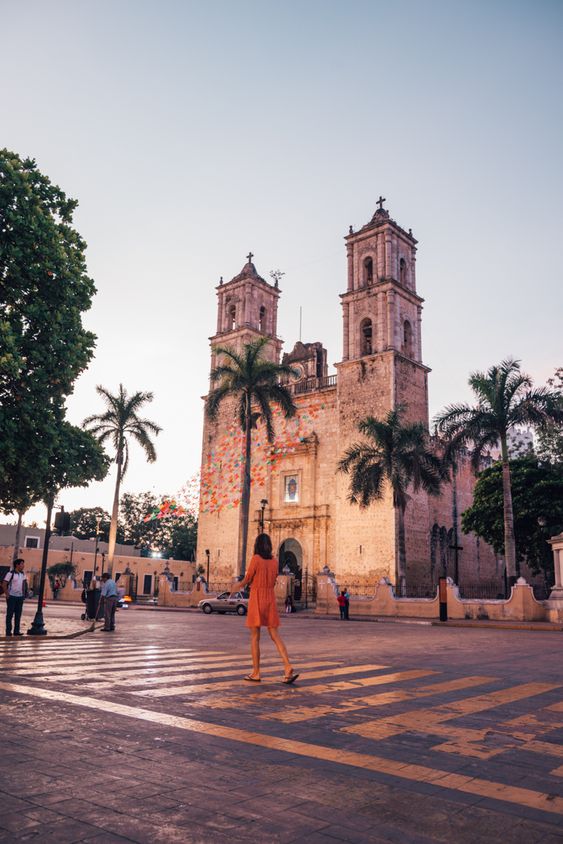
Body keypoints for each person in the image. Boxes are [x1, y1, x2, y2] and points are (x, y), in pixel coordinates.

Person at [230, 533, 298, 684]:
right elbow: (274, 580)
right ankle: (287, 666)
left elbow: (247, 578)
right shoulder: (274, 561)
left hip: (257, 597)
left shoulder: (256, 559)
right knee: (275, 635)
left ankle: (256, 673)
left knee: (255, 637)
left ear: (257, 545)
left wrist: (237, 587)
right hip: (270, 598)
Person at [3, 558, 28, 637]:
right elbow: (4, 584)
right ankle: (8, 631)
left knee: (18, 615)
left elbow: (24, 584)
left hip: (20, 597)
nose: (23, 566)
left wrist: (24, 594)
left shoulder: (22, 574)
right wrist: (7, 594)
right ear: (17, 565)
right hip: (12, 597)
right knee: (10, 615)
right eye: (22, 564)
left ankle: (16, 631)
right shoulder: (10, 574)